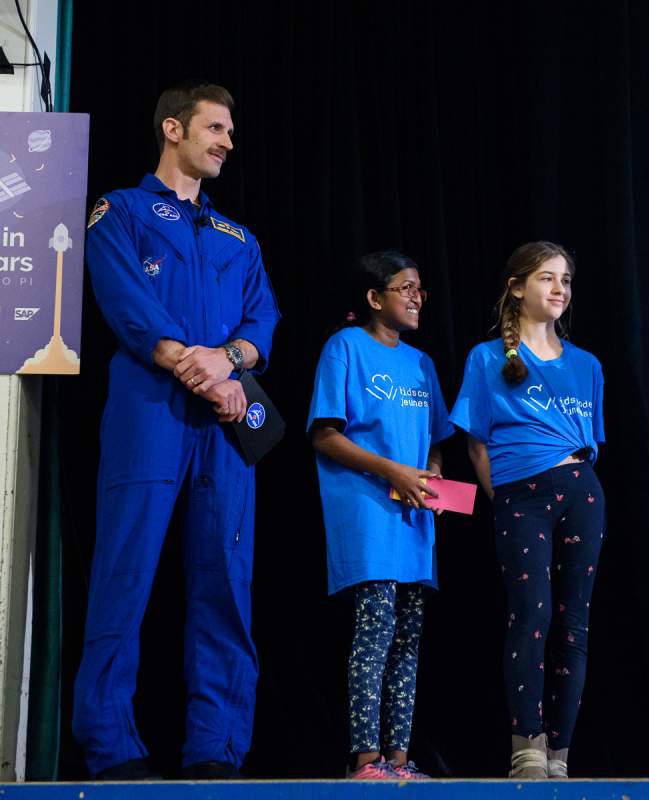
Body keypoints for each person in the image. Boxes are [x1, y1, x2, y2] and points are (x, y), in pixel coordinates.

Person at [72, 82, 281, 781]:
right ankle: (110, 747)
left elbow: (262, 327)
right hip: (148, 415)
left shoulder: (238, 237)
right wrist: (190, 365)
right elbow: (124, 302)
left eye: (230, 131)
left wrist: (227, 364)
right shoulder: (120, 212)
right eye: (215, 128)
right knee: (125, 573)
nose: (227, 142)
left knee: (226, 580)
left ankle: (216, 748)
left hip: (225, 426)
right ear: (173, 129)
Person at [450, 242, 606, 779]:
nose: (560, 288)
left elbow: (591, 443)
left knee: (573, 625)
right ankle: (527, 747)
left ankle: (560, 754)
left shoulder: (587, 365)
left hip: (581, 491)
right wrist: (509, 499)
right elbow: (476, 445)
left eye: (565, 279)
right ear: (518, 287)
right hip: (521, 495)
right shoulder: (488, 357)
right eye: (546, 278)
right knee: (532, 615)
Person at [306, 251, 453, 780]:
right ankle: (364, 760)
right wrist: (393, 471)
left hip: (414, 518)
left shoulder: (421, 363)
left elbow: (438, 441)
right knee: (375, 630)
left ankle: (399, 758)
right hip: (367, 511)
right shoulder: (345, 347)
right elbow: (324, 434)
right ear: (374, 298)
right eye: (405, 287)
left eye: (420, 289)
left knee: (409, 638)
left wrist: (430, 473)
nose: (416, 297)